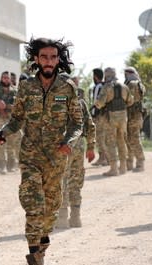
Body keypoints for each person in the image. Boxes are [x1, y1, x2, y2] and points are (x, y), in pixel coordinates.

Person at [0, 37, 83, 265]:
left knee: (51, 209)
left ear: (58, 60)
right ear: (36, 59)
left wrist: (69, 141)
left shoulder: (68, 88)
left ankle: (41, 251)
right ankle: (36, 264)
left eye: (53, 57)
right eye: (44, 57)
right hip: (31, 155)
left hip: (56, 158)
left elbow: (77, 123)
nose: (49, 62)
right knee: (34, 206)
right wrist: (3, 133)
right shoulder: (26, 88)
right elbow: (17, 120)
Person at [57, 76, 96, 228]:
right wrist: (91, 147)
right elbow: (90, 125)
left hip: (63, 146)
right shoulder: (80, 102)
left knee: (62, 181)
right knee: (76, 180)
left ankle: (62, 218)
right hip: (79, 146)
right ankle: (75, 217)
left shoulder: (56, 101)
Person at [94, 67, 133, 176]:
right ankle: (123, 167)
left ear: (106, 75)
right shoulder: (124, 86)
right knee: (122, 141)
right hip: (123, 118)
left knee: (111, 143)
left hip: (110, 118)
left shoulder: (106, 87)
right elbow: (130, 101)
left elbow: (100, 103)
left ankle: (114, 169)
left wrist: (97, 104)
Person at [124, 67, 146, 172]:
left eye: (126, 73)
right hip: (136, 115)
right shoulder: (139, 83)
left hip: (133, 116)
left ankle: (140, 162)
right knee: (130, 139)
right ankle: (130, 164)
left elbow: (130, 100)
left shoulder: (132, 83)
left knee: (134, 139)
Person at [90, 68, 108, 166]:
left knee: (99, 137)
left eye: (93, 76)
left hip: (98, 115)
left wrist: (93, 113)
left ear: (95, 77)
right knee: (103, 137)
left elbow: (96, 102)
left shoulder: (98, 86)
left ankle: (102, 158)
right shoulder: (105, 86)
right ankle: (106, 158)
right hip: (105, 115)